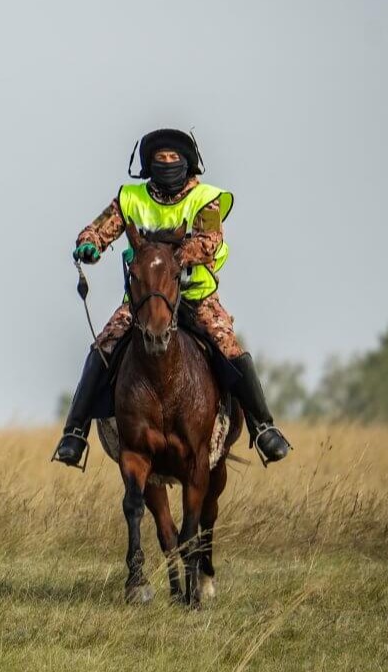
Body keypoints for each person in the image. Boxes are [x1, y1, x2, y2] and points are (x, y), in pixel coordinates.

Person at [54, 129, 292, 468]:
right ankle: (74, 433)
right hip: (143, 300)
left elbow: (209, 241)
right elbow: (98, 229)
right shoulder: (130, 198)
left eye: (173, 159)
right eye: (159, 160)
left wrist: (169, 260)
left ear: (187, 163)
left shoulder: (205, 198)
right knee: (101, 349)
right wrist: (87, 245)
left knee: (230, 349)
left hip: (196, 296)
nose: (166, 164)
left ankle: (264, 427)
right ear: (149, 165)